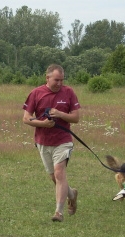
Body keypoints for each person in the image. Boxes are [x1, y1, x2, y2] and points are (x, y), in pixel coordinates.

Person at [22, 64, 80, 222]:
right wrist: (43, 124)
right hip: (43, 141)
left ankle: (58, 212)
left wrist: (60, 113)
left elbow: (75, 117)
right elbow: (26, 118)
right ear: (47, 78)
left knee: (60, 173)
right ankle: (72, 194)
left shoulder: (69, 93)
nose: (60, 83)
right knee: (54, 177)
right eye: (56, 80)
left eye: (62, 80)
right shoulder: (36, 93)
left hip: (63, 140)